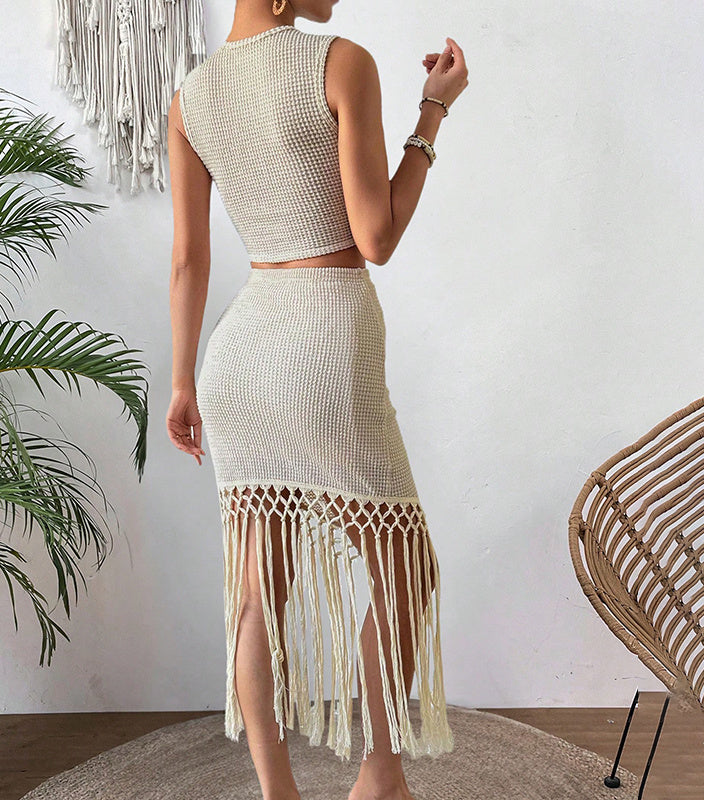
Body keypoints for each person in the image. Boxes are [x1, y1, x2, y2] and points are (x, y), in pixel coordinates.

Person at [166, 0, 468, 797]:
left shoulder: (190, 96)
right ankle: (378, 776)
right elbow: (376, 237)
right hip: (325, 336)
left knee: (262, 588)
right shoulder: (341, 62)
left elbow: (189, 259)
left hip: (239, 352)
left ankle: (277, 791)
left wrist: (180, 382)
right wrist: (431, 116)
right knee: (404, 570)